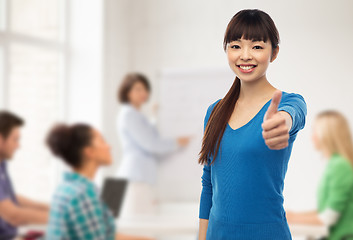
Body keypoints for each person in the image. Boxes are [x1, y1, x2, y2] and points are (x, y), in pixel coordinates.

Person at [198, 9, 307, 240]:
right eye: (235, 46)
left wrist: (283, 122)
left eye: (257, 46)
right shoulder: (214, 112)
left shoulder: (288, 103)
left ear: (273, 52)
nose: (245, 55)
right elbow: (208, 185)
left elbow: (294, 115)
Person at [45, 123, 153, 240]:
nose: (109, 146)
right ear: (89, 152)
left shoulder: (66, 188)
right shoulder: (83, 195)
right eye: (102, 141)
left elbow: (107, 236)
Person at [116, 73, 190, 216]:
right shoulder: (128, 114)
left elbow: (149, 136)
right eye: (138, 89)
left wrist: (155, 116)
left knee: (138, 229)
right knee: (139, 230)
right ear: (127, 91)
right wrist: (177, 142)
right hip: (133, 180)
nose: (143, 93)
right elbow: (150, 143)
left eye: (145, 89)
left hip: (135, 179)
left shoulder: (135, 115)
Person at [287, 110, 353, 240]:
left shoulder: (339, 166)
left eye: (315, 131)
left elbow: (328, 217)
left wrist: (293, 218)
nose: (312, 137)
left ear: (327, 135)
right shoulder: (335, 164)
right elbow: (327, 210)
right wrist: (293, 216)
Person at [0, 111, 49, 240]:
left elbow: (9, 198)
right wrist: (62, 218)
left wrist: (50, 207)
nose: (18, 146)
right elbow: (13, 216)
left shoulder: (2, 164)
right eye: (15, 140)